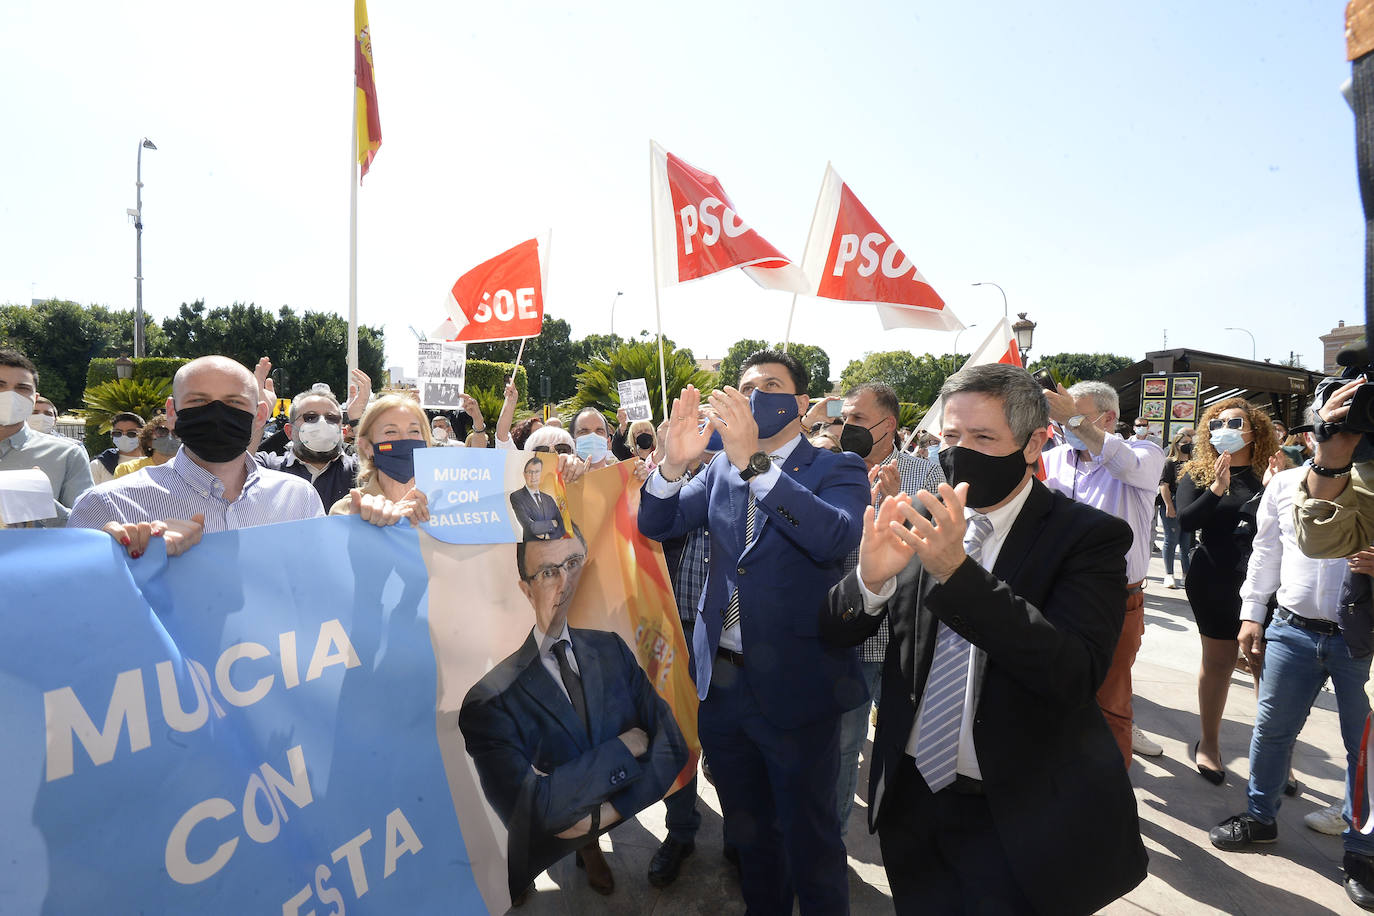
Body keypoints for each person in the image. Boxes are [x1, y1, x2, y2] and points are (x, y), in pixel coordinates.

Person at [820, 363, 1147, 915]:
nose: (959, 452)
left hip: (1018, 816)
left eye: (983, 438)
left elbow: (1073, 672)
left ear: (1033, 444)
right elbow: (835, 631)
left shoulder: (1088, 538)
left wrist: (958, 574)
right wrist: (869, 581)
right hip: (913, 802)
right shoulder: (920, 516)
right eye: (950, 437)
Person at [638, 349, 869, 914]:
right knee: (751, 839)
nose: (755, 393)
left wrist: (755, 465)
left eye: (771, 384)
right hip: (723, 690)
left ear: (803, 404)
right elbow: (658, 522)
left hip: (797, 690)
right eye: (746, 385)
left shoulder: (836, 468)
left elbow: (833, 538)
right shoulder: (717, 468)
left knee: (811, 841)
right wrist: (671, 467)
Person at [458, 525, 688, 900]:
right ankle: (582, 853)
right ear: (525, 588)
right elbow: (534, 812)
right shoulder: (489, 699)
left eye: (573, 563)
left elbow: (672, 744)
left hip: (591, 807)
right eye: (548, 571)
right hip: (529, 855)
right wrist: (622, 747)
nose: (565, 581)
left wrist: (599, 818)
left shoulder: (610, 647)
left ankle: (589, 846)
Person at [1208, 456, 1374, 887]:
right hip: (1291, 628)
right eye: (1331, 427)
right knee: (1272, 729)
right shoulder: (1285, 483)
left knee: (1366, 748)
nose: (1341, 440)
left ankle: (1363, 847)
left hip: (1360, 638)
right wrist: (1252, 613)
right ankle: (1261, 817)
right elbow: (1266, 550)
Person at [68, 355, 323, 555]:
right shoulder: (107, 506)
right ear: (172, 412)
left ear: (259, 416)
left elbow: (320, 583)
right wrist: (117, 560)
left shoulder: (299, 498)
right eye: (198, 402)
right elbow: (73, 603)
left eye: (234, 403)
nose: (216, 414)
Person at [833, 382, 945, 834]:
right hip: (849, 633)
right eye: (844, 418)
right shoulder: (830, 469)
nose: (847, 427)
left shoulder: (927, 477)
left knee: (910, 746)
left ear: (888, 425)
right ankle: (833, 843)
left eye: (858, 419)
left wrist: (891, 508)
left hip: (902, 640)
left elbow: (936, 559)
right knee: (843, 746)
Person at [1042, 380, 1167, 766]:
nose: (1066, 426)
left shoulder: (1144, 454)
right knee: (1056, 691)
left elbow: (1124, 464)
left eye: (1074, 415)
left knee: (1111, 701)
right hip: (1057, 594)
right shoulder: (1054, 459)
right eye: (1060, 418)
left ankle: (1108, 795)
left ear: (1109, 417)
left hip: (1117, 600)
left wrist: (1074, 420)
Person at [1176, 397, 1278, 784]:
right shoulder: (1197, 473)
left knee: (1263, 669)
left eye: (1234, 423)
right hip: (1213, 579)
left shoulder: (1271, 474)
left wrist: (1273, 491)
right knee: (1217, 664)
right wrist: (1217, 487)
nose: (1224, 431)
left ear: (1254, 430)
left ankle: (1274, 756)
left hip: (1264, 584)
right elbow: (1186, 521)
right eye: (1216, 424)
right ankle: (1210, 745)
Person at [0, 349, 94, 527]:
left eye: (22, 388)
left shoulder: (67, 455)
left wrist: (41, 503)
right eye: (0, 385)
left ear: (34, 398)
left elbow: (88, 526)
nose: (10, 396)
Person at [328, 393, 432, 527]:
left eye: (414, 431)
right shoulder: (349, 509)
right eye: (391, 432)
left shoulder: (447, 501)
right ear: (367, 446)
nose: (405, 439)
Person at [254, 385, 363, 512]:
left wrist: (357, 421)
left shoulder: (357, 470)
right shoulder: (269, 467)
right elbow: (238, 465)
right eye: (310, 417)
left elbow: (384, 466)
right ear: (289, 431)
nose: (322, 424)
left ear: (342, 431)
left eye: (331, 418)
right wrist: (257, 420)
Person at [1158, 427, 1196, 589]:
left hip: (1187, 504)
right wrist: (1168, 506)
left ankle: (1186, 574)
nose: (1188, 445)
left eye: (1190, 443)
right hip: (1172, 502)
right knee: (1171, 539)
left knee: (1186, 542)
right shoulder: (1169, 463)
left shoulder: (1193, 464)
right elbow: (1164, 486)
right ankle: (1169, 574)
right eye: (1184, 443)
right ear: (1177, 444)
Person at [509, 456, 568, 542]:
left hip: (552, 547)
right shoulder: (516, 496)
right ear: (524, 474)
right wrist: (552, 523)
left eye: (537, 472)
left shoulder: (549, 499)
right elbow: (530, 527)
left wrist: (547, 536)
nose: (533, 476)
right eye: (530, 472)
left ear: (541, 474)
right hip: (531, 549)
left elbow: (562, 527)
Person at [89, 412, 146, 484]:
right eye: (118, 433)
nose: (124, 437)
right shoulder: (99, 465)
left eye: (131, 433)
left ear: (143, 434)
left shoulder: (154, 462)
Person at [114, 415, 178, 478]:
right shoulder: (127, 470)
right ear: (149, 440)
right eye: (162, 431)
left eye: (176, 433)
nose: (169, 437)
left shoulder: (187, 471)